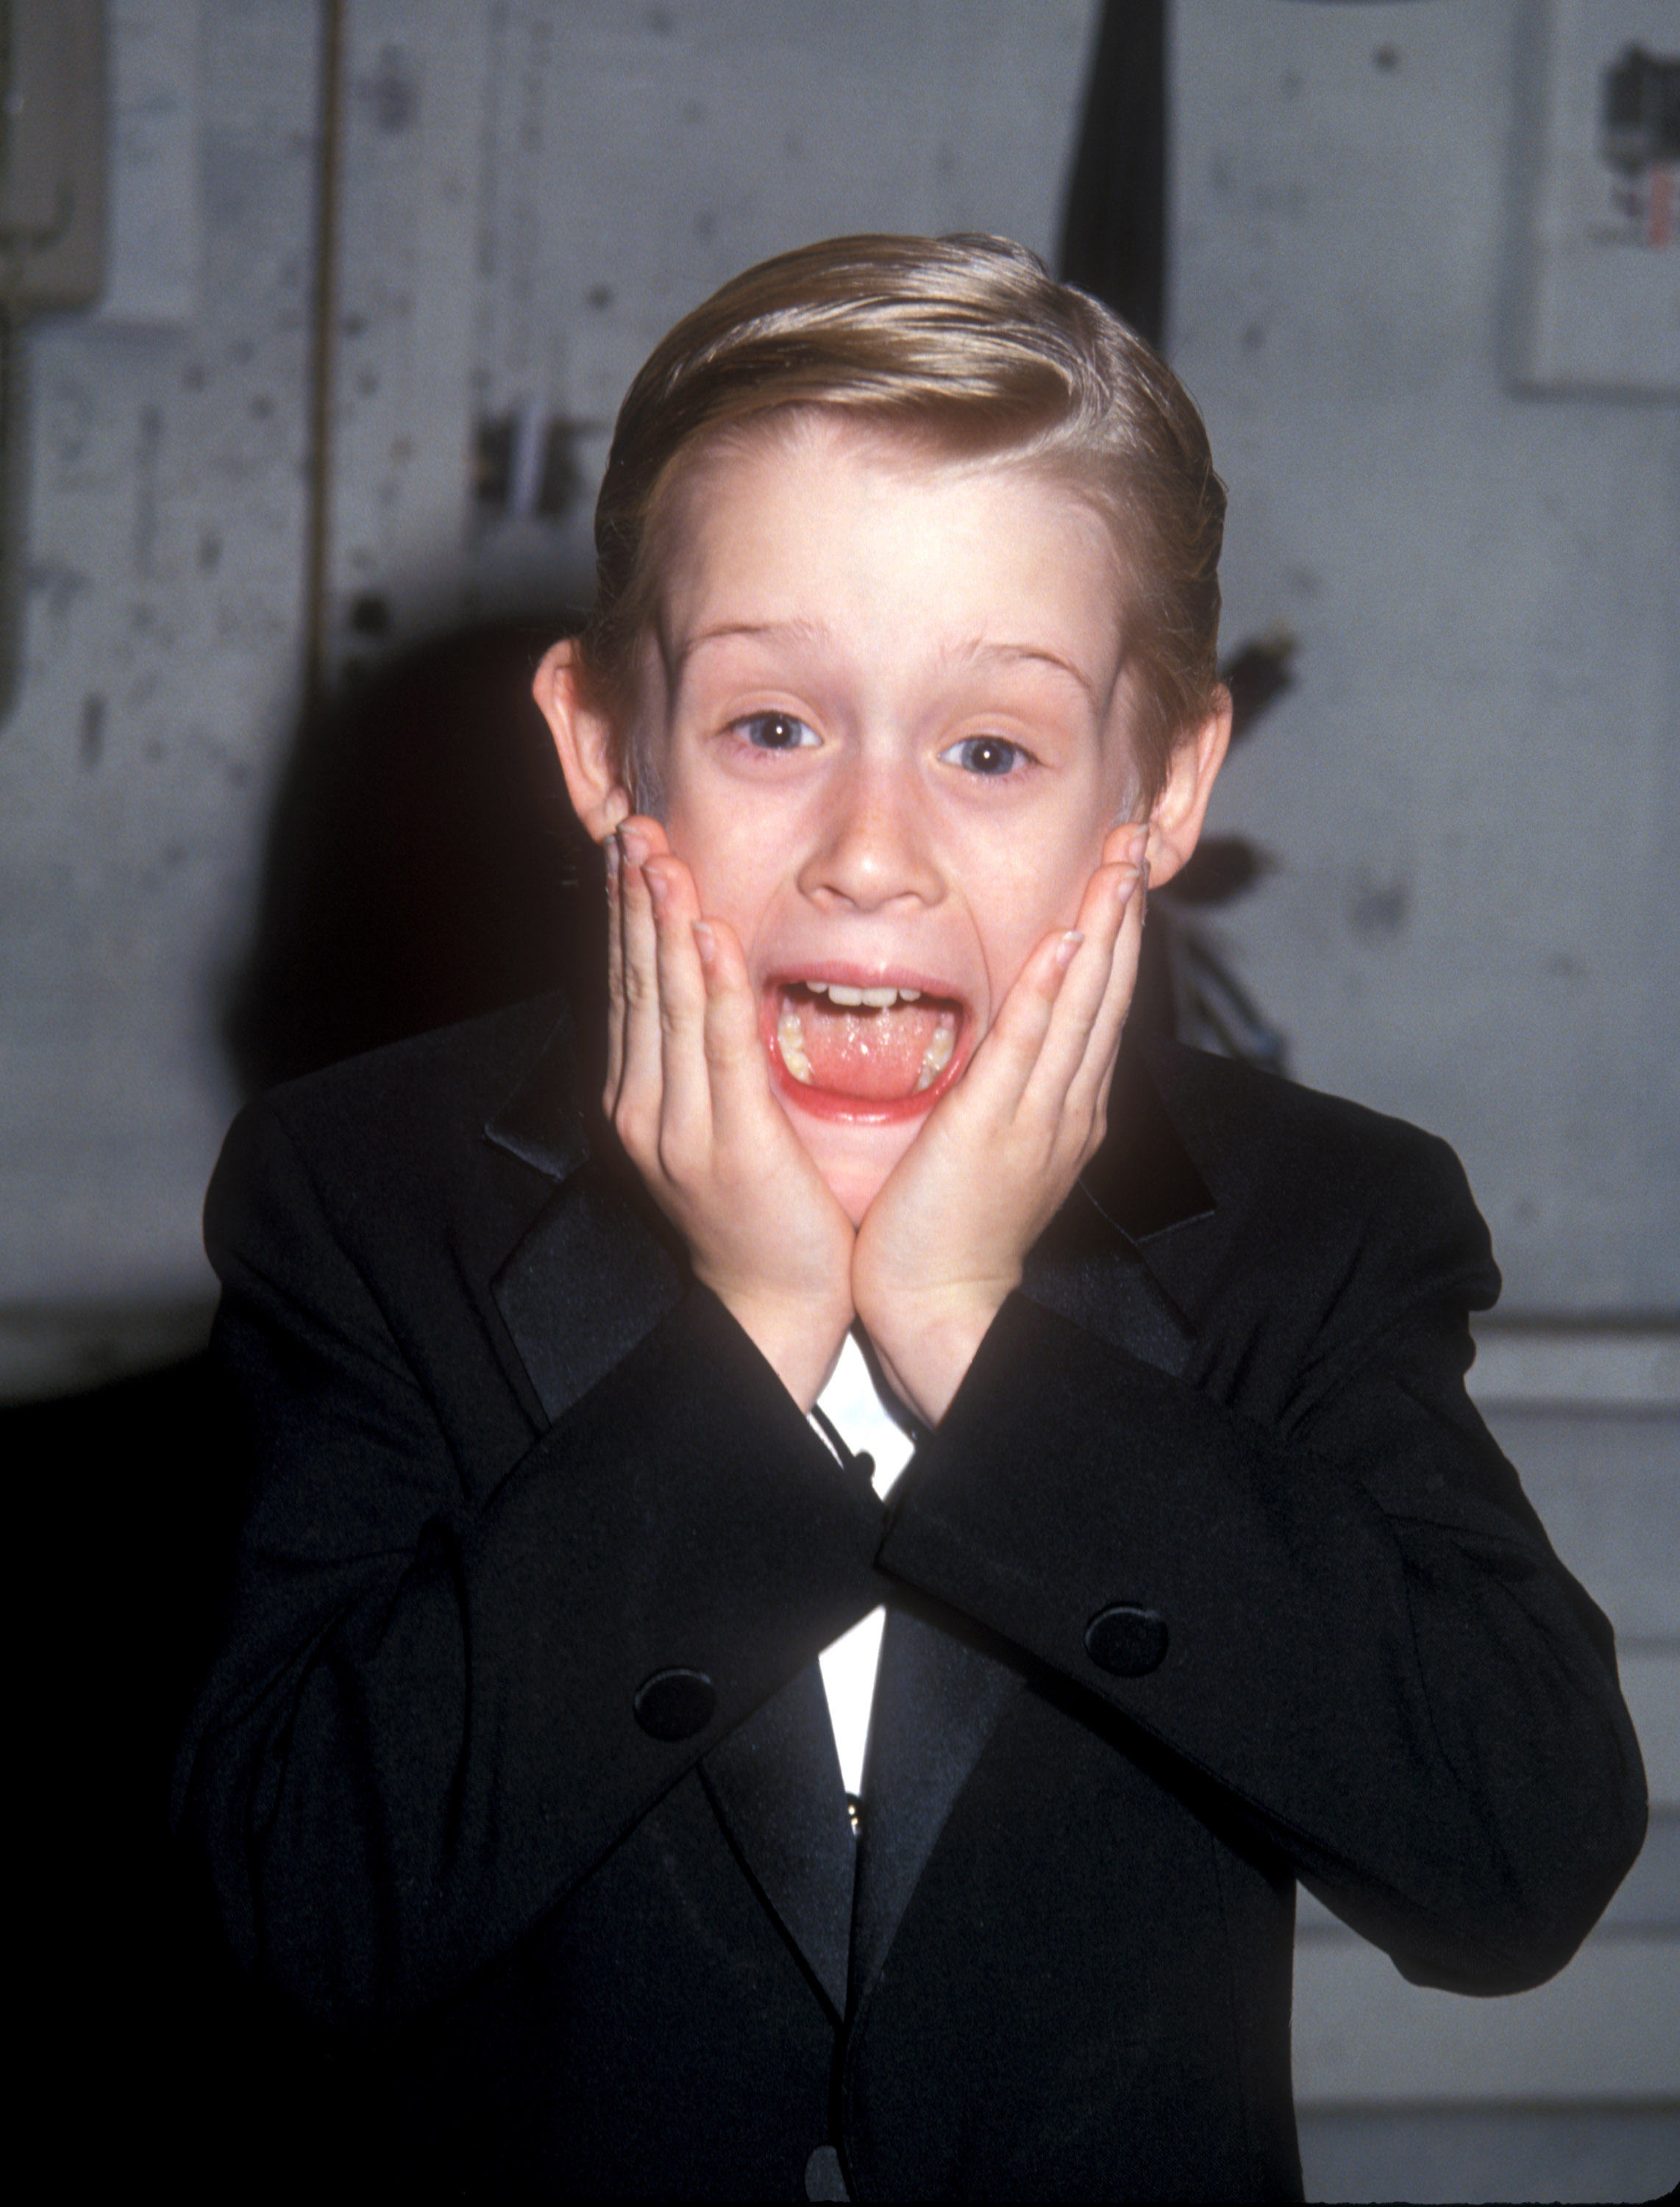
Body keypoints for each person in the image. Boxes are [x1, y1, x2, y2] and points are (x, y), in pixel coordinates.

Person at [174, 235, 1645, 2201]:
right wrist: (751, 1326)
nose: (871, 853)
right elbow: (303, 1906)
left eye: (989, 749)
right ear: (608, 750)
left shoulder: (1315, 1224)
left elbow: (1515, 1863)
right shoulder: (370, 1196)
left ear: (1162, 782)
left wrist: (973, 1326)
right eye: (774, 728)